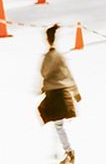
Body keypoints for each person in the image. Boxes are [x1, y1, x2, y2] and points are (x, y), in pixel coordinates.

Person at [38, 25, 80, 163]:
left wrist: (42, 86)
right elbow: (68, 73)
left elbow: (43, 73)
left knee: (58, 124)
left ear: (47, 39)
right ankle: (66, 152)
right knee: (58, 124)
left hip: (54, 94)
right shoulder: (59, 56)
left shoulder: (48, 57)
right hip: (61, 92)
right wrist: (75, 91)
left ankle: (68, 152)